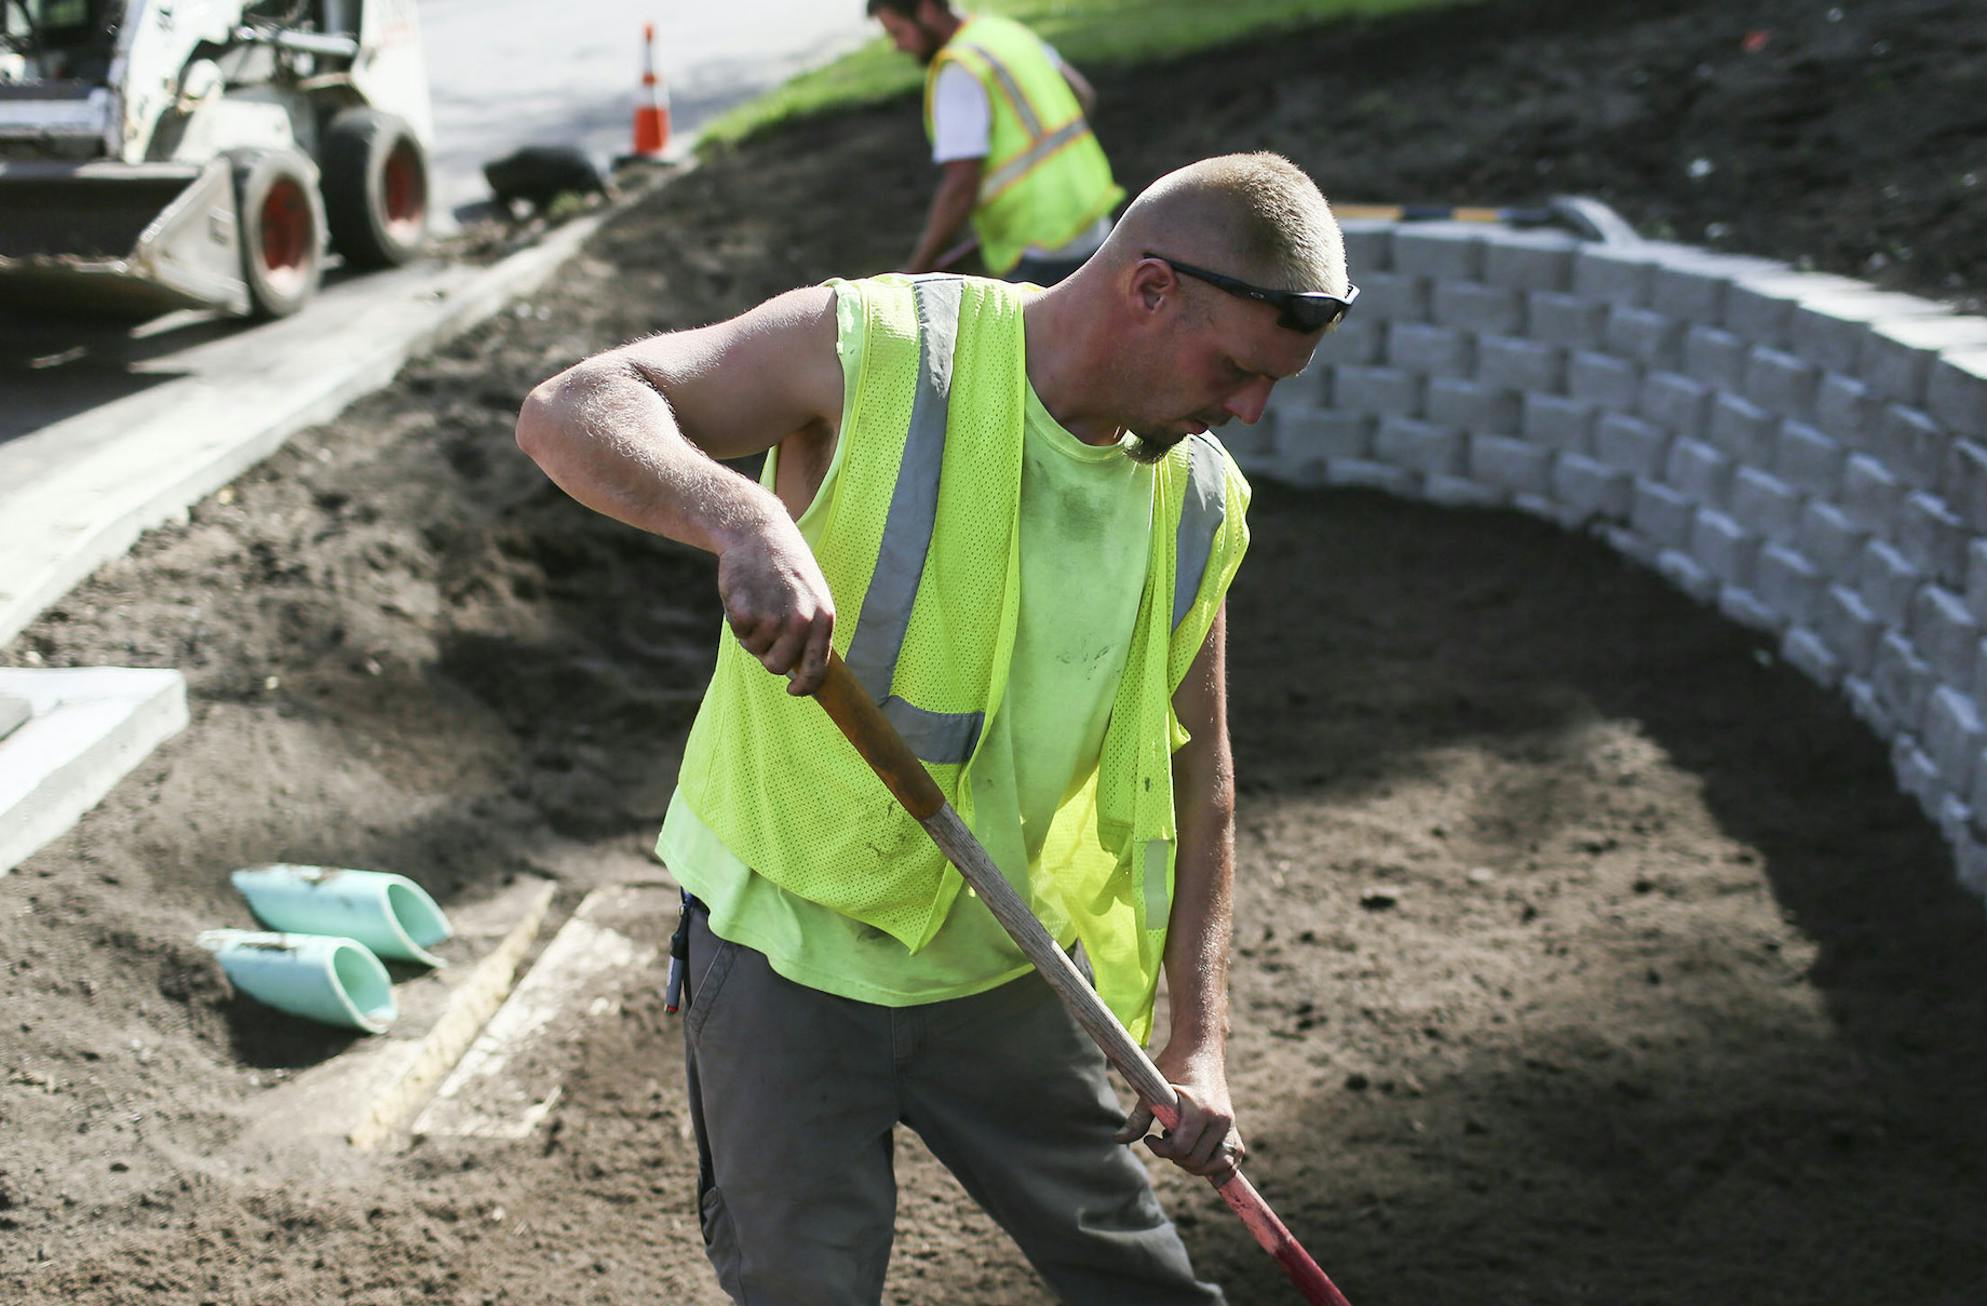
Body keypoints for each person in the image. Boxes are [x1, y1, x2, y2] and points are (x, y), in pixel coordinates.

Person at [515, 151, 1356, 1305]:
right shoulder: (882, 351)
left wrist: (1198, 1039)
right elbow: (574, 406)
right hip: (787, 959)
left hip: (1006, 965)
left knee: (1139, 1281)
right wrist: (743, 516)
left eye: (1275, 383)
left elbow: (1201, 774)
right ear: (1150, 288)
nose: (1250, 410)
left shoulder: (1197, 497)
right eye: (1236, 368)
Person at [869, 0, 1123, 284]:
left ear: (927, 9)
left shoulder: (959, 69)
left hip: (1040, 245)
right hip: (1092, 218)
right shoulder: (1004, 31)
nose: (897, 46)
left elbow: (960, 189)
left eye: (898, 32)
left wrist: (916, 271)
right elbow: (1083, 94)